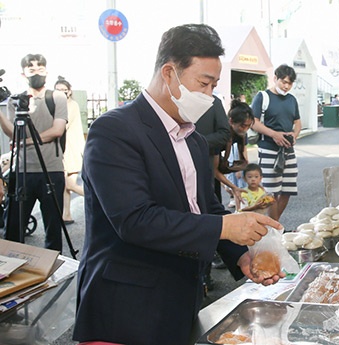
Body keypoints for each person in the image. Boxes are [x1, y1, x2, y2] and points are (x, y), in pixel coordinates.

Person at [73, 24, 285, 345]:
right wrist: (224, 228)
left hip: (179, 300)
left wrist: (240, 255)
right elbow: (134, 220)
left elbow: (206, 208)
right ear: (169, 73)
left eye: (214, 85)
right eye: (203, 83)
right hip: (125, 308)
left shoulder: (194, 140)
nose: (209, 96)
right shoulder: (115, 130)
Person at [0, 54, 67, 251]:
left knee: (53, 229)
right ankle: (13, 271)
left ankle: (51, 271)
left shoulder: (56, 97)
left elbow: (57, 130)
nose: (36, 72)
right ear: (23, 74)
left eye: (40, 68)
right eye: (31, 69)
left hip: (51, 170)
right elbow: (13, 132)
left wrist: (24, 142)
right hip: (22, 170)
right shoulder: (16, 101)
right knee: (13, 229)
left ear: (46, 71)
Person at [250, 64, 301, 222]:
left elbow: (297, 122)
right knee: (271, 192)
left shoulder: (292, 100)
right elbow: (253, 122)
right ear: (275, 79)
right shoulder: (262, 96)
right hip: (268, 150)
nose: (286, 86)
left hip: (288, 151)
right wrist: (274, 135)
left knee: (288, 190)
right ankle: (273, 227)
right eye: (283, 82)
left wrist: (295, 134)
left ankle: (274, 225)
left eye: (290, 83)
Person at [54, 76, 84, 225]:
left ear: (69, 91)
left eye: (64, 90)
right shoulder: (63, 105)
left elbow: (62, 127)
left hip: (71, 150)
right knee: (66, 187)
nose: (61, 93)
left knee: (69, 185)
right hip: (65, 150)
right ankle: (66, 215)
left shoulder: (71, 105)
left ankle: (97, 199)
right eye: (58, 90)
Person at [213, 99, 253, 209]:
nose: (245, 129)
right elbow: (214, 169)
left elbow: (244, 154)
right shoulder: (220, 136)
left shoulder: (241, 134)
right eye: (243, 126)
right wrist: (233, 187)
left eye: (248, 126)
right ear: (231, 121)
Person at [195, 94, 231, 204]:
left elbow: (224, 134)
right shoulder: (171, 99)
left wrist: (197, 142)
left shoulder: (214, 102)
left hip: (205, 163)